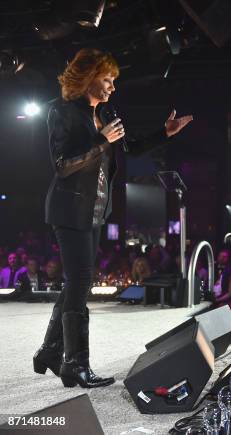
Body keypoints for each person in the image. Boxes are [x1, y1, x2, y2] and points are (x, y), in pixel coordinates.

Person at [34, 48, 193, 389]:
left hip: (95, 209)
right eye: (107, 79)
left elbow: (130, 147)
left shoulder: (106, 111)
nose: (112, 87)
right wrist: (99, 140)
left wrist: (164, 133)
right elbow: (62, 165)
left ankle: (50, 350)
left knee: (75, 282)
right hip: (68, 208)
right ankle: (75, 364)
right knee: (80, 281)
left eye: (112, 81)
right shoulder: (59, 111)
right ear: (89, 77)